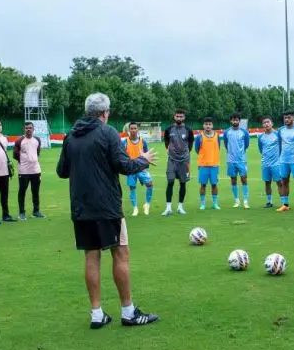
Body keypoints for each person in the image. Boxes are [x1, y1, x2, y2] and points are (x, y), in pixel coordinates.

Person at [56, 92, 159, 329]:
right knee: (120, 253)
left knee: (91, 257)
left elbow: (62, 171)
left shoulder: (71, 135)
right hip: (107, 207)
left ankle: (96, 314)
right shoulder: (108, 132)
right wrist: (143, 159)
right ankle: (128, 312)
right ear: (105, 112)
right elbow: (125, 165)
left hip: (81, 207)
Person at [162, 109, 194, 216]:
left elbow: (190, 144)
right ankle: (168, 208)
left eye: (181, 116)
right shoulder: (169, 129)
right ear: (174, 117)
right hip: (172, 160)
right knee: (170, 182)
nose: (179, 118)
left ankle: (180, 207)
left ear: (184, 118)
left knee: (183, 183)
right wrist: (169, 150)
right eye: (177, 116)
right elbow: (166, 141)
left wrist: (185, 154)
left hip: (184, 161)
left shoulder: (188, 130)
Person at [14, 122, 45, 220]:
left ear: (33, 129)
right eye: (26, 128)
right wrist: (24, 162)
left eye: (30, 128)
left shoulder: (37, 140)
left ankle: (36, 211)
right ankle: (22, 212)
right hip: (23, 171)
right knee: (22, 191)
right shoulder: (19, 141)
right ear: (24, 129)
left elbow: (37, 152)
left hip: (36, 170)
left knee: (35, 192)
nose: (28, 129)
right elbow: (15, 154)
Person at [122, 122, 154, 217]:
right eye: (131, 128)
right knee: (132, 188)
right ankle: (135, 208)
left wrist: (146, 167)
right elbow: (122, 155)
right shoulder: (124, 142)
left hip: (141, 169)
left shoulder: (142, 141)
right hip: (130, 169)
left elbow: (147, 155)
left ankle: (147, 204)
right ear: (129, 130)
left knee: (150, 184)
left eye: (135, 128)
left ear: (137, 130)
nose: (133, 130)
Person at [223, 113, 250, 209]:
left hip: (242, 160)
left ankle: (246, 200)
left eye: (236, 120)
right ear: (231, 121)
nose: (235, 121)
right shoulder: (227, 132)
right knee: (233, 180)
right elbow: (226, 144)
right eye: (233, 120)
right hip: (230, 161)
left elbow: (246, 144)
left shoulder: (244, 132)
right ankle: (236, 200)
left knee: (244, 179)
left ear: (239, 121)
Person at [195, 117, 221, 211]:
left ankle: (215, 204)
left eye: (209, 124)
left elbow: (218, 147)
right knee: (203, 185)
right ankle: (202, 204)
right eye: (206, 124)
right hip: (203, 165)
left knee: (214, 184)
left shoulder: (217, 136)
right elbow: (197, 149)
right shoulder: (199, 137)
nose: (208, 126)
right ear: (203, 125)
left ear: (212, 125)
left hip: (214, 165)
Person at [258, 116, 282, 209]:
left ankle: (283, 202)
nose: (266, 124)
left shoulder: (277, 134)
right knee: (267, 182)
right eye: (264, 122)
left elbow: (281, 147)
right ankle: (269, 201)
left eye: (268, 122)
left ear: (272, 123)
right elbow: (261, 149)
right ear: (262, 125)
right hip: (265, 163)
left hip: (276, 163)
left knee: (279, 182)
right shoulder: (260, 137)